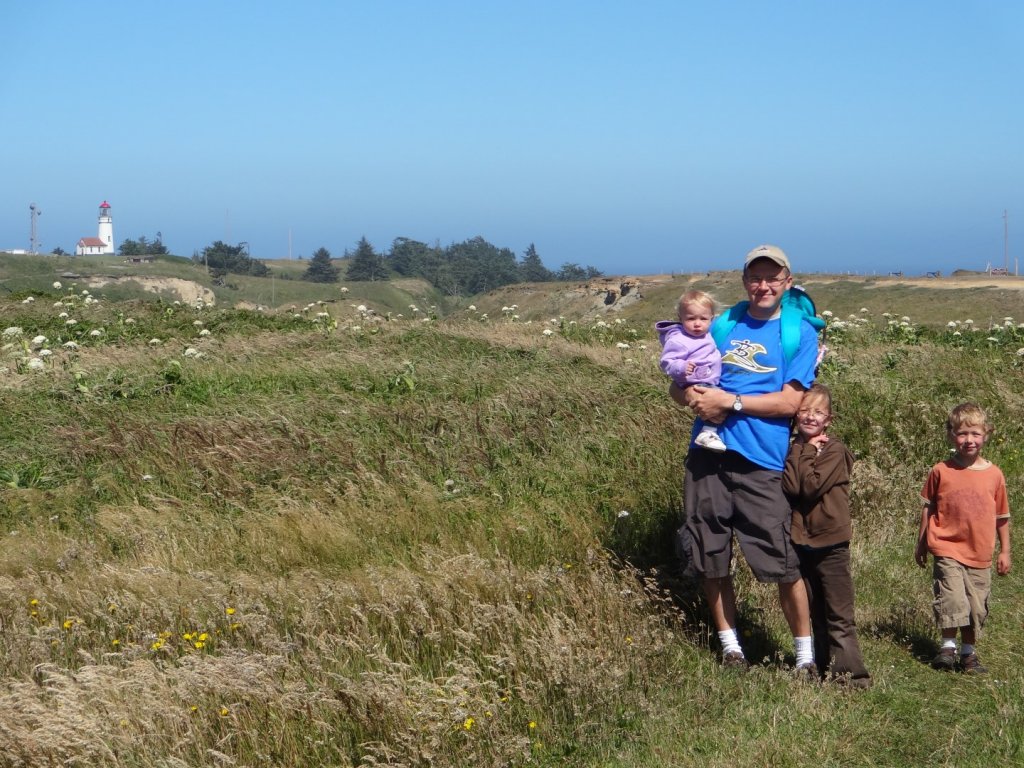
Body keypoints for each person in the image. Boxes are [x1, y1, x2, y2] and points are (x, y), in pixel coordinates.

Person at [673, 244, 819, 672]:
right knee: (710, 555)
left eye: (773, 277)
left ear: (787, 282)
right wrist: (688, 392)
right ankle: (730, 647)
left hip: (762, 460)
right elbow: (678, 384)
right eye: (756, 277)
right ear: (744, 282)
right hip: (707, 457)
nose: (764, 285)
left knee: (782, 560)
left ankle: (804, 657)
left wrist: (729, 404)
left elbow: (792, 403)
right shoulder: (723, 323)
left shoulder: (798, 333)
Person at [782, 384, 871, 687]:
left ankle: (852, 676)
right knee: (815, 611)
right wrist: (804, 450)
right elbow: (790, 486)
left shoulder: (834, 449)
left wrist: (805, 452)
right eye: (804, 410)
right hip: (802, 541)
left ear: (828, 419)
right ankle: (823, 668)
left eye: (818, 412)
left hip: (831, 542)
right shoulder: (791, 446)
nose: (810, 417)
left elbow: (808, 486)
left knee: (838, 614)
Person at [914, 402, 1012, 674]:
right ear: (951, 435)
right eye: (962, 433)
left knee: (975, 605)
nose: (969, 440)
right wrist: (922, 541)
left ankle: (968, 654)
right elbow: (928, 507)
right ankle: (947, 647)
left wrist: (1005, 550)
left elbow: (1002, 516)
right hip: (946, 545)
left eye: (975, 434)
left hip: (980, 550)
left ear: (986, 435)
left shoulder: (994, 475)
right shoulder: (940, 471)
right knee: (951, 597)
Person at [656, 290, 726, 452]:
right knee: (716, 401)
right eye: (691, 318)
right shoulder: (679, 340)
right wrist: (680, 367)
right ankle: (708, 433)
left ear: (711, 319)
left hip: (707, 377)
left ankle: (710, 432)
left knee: (719, 402)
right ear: (681, 319)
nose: (697, 324)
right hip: (695, 381)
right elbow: (667, 361)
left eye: (703, 319)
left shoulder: (704, 334)